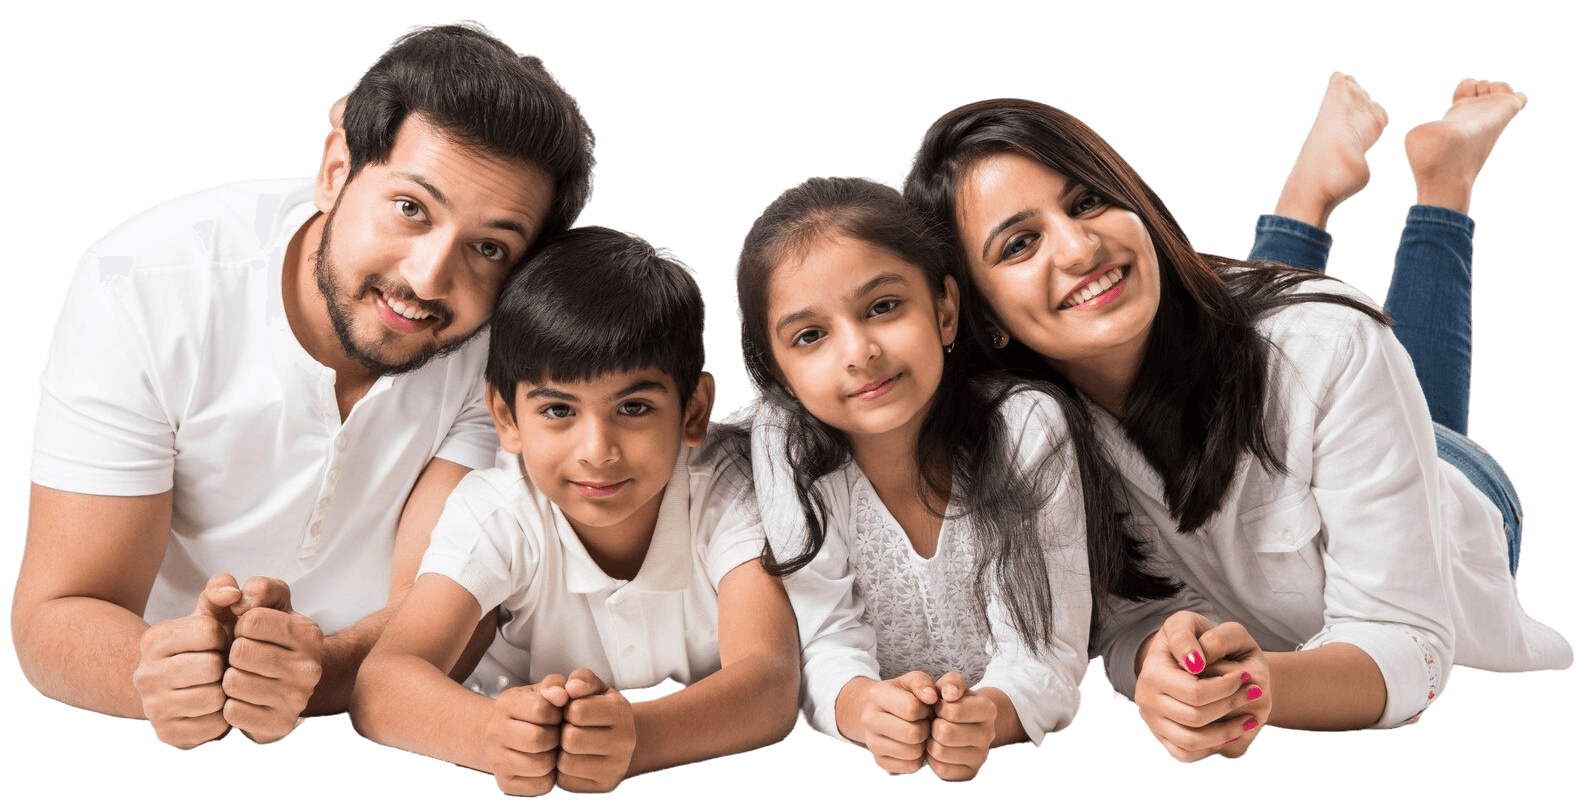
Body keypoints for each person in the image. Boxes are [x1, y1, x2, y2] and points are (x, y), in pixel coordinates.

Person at [903, 74, 1572, 762]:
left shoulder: (1333, 345)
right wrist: (1154, 665)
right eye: (1018, 244)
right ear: (981, 316)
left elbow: (1408, 640)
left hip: (1455, 494)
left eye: (1089, 200)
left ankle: (1444, 177)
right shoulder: (1028, 441)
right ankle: (1308, 191)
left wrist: (1254, 686)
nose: (1077, 249)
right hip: (1280, 382)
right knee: (1249, 327)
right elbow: (1124, 624)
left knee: (1382, 384)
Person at [14, 21, 596, 749]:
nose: (427, 280)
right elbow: (59, 608)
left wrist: (316, 670)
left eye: (488, 248)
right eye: (411, 208)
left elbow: (448, 606)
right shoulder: (141, 286)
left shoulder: (505, 338)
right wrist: (153, 669)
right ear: (335, 170)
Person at [737, 176, 1177, 780]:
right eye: (810, 336)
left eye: (883, 307)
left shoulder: (1022, 425)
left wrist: (987, 717)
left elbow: (1048, 651)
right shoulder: (787, 444)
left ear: (945, 310)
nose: (859, 351)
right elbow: (822, 639)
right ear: (779, 373)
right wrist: (866, 709)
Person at [350, 227, 798, 795]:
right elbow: (382, 684)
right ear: (506, 418)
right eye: (558, 410)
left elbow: (771, 685)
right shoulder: (498, 510)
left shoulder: (729, 488)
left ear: (694, 411)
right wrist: (492, 734)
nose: (597, 451)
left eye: (633, 407)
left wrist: (637, 737)